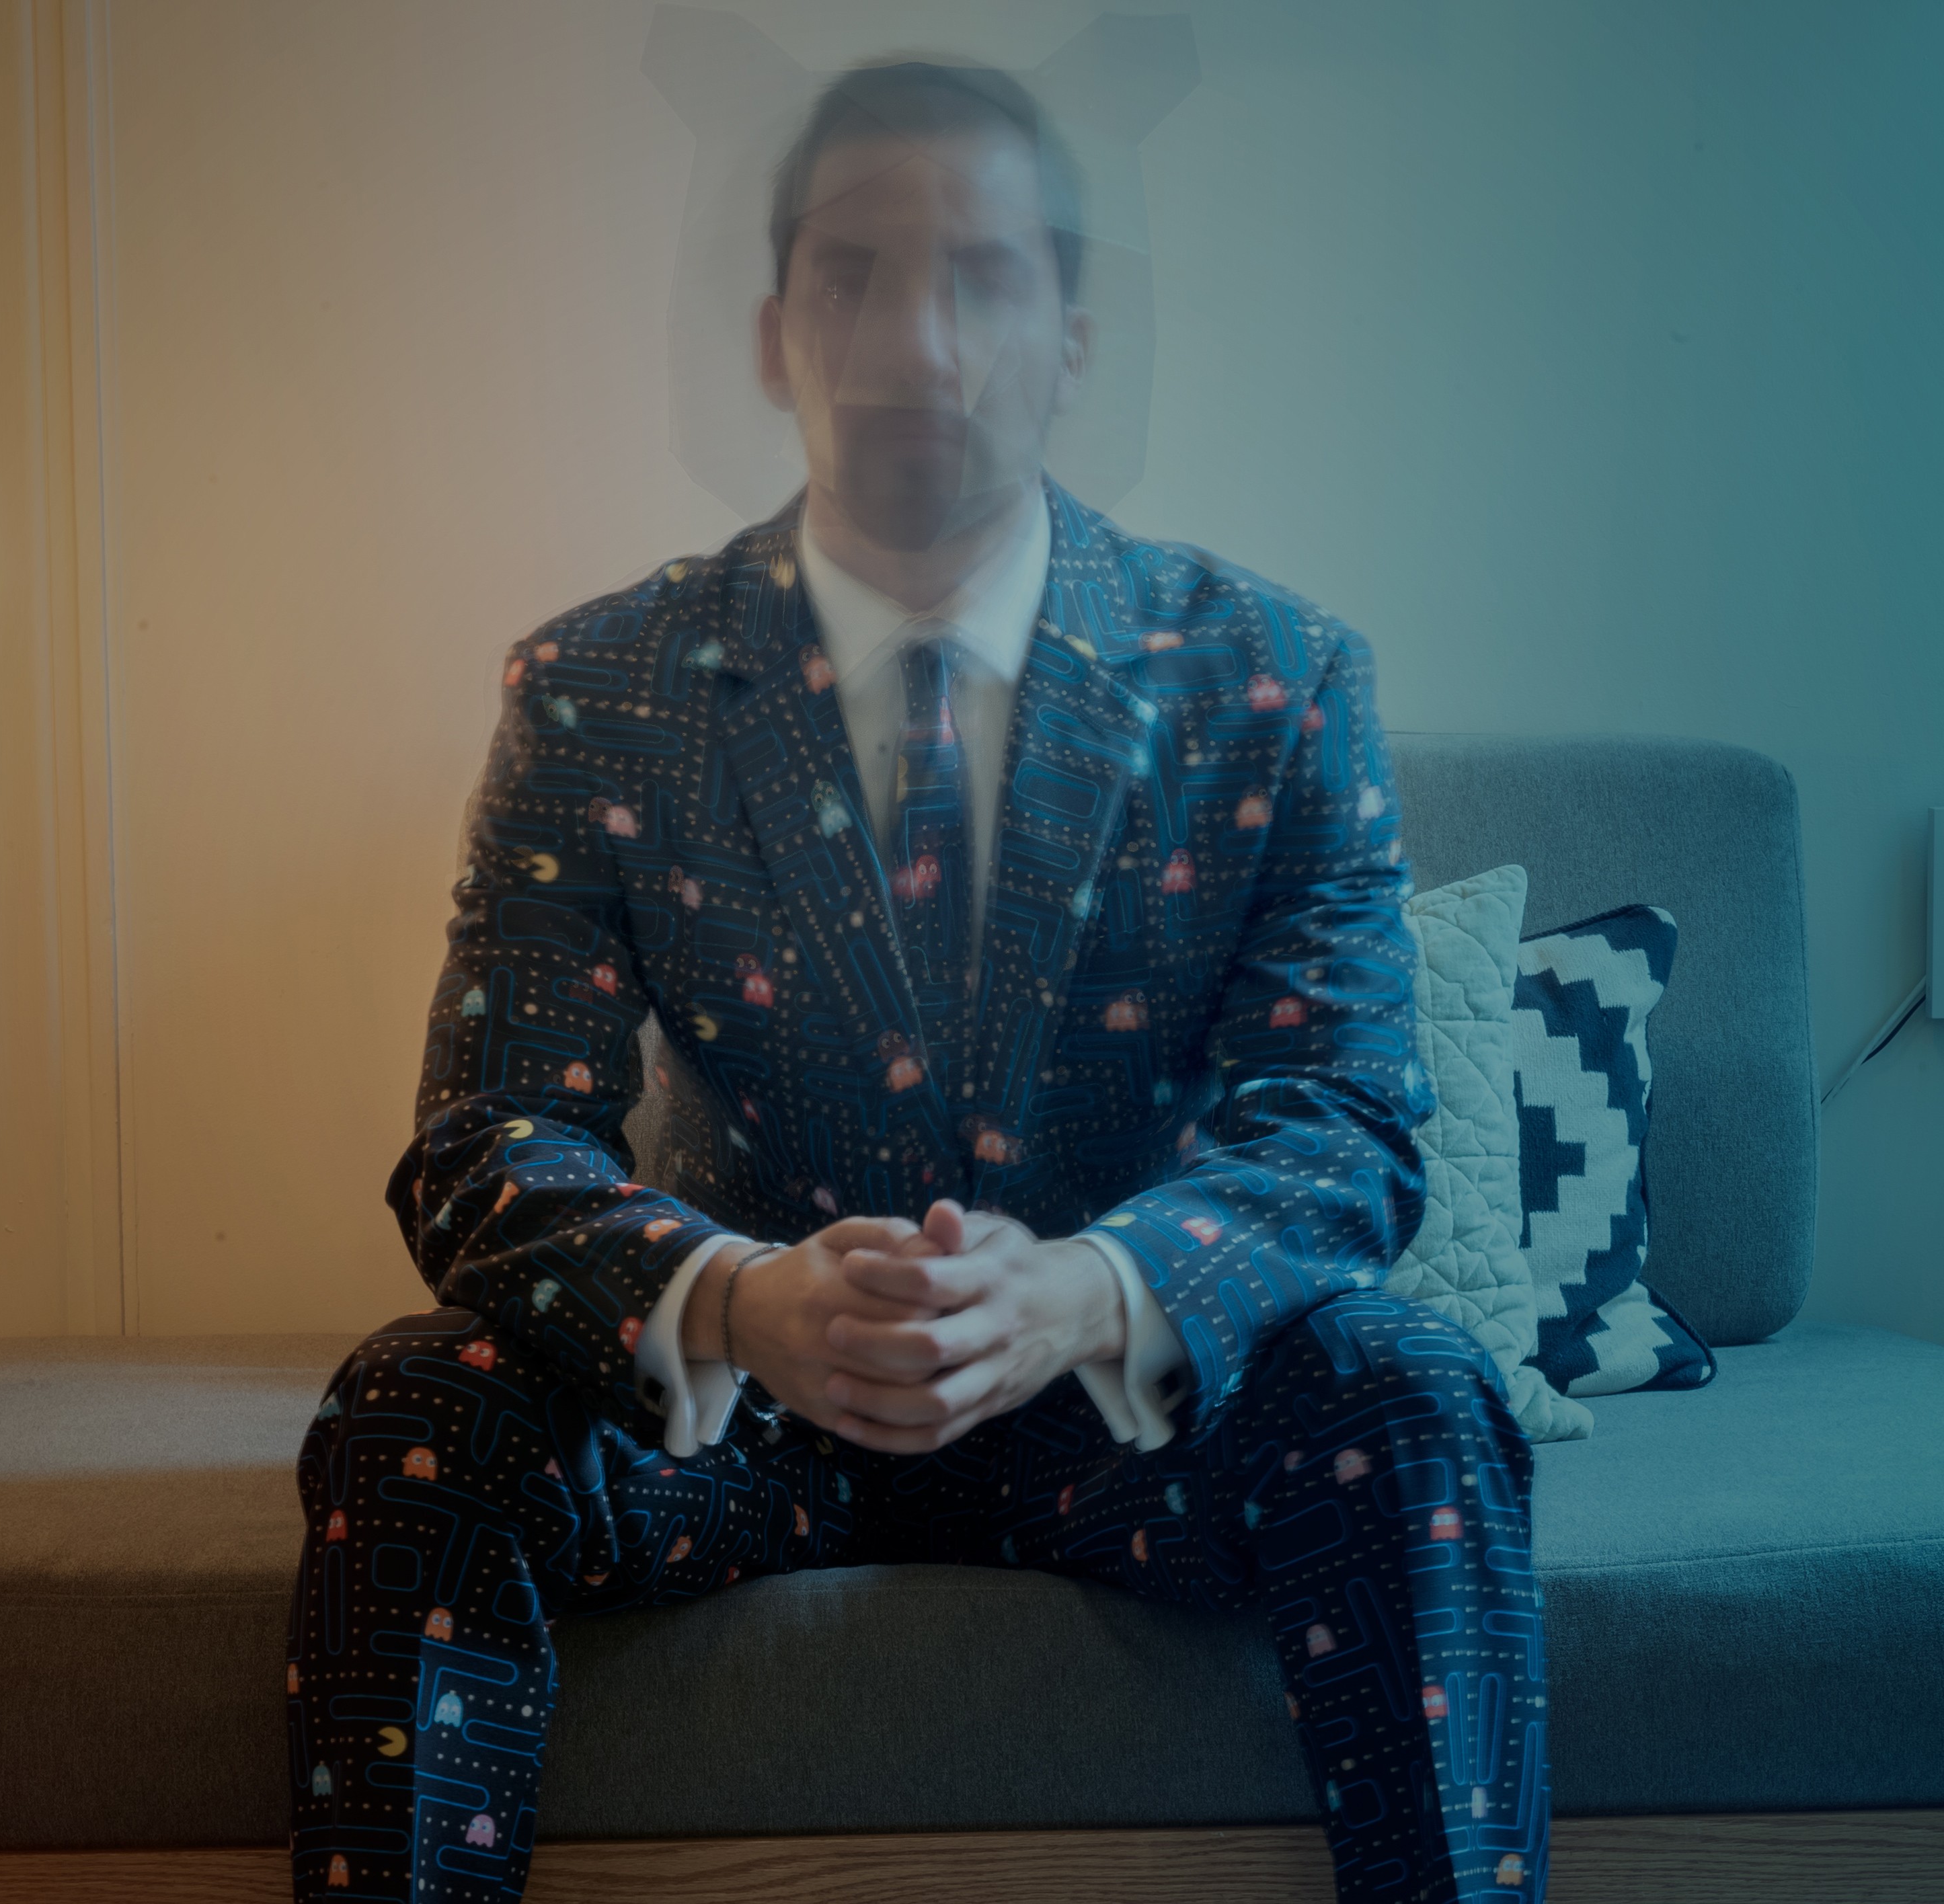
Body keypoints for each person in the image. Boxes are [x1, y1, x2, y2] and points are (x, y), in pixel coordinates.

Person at [286, 55, 1549, 1904]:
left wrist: (1087, 1291)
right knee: (417, 1401)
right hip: (747, 1419)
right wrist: (737, 1299)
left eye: (981, 275)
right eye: (855, 275)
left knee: (1413, 1386)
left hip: (1125, 1415)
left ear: (1072, 339)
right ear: (775, 333)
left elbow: (1345, 1122)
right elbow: (485, 1146)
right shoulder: (596, 689)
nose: (916, 339)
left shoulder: (1276, 680)